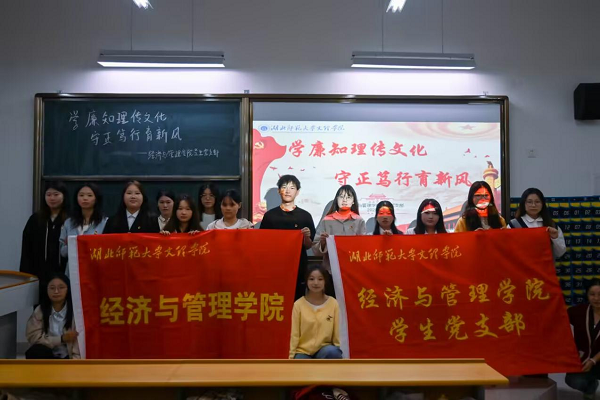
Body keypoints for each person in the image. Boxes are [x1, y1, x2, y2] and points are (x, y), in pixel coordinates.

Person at [260, 175, 316, 300]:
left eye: (292, 188)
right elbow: (263, 242)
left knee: (297, 300)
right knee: (275, 299)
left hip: (298, 266)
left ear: (298, 192)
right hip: (275, 266)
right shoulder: (270, 216)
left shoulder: (305, 216)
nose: (287, 191)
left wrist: (306, 237)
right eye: (284, 187)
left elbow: (308, 245)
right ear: (279, 191)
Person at [20, 181, 69, 285]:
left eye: (56, 194)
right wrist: (26, 275)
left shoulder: (70, 220)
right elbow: (26, 249)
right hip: (39, 273)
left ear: (64, 196)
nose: (52, 198)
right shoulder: (36, 219)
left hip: (64, 273)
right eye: (48, 195)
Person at [289, 266, 342, 359]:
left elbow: (337, 332)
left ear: (325, 281)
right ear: (306, 281)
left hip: (324, 350)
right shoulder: (298, 305)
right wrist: (291, 356)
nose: (316, 283)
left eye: (320, 279)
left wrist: (338, 349)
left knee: (333, 352)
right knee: (299, 361)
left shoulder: (333, 303)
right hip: (303, 351)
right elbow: (294, 334)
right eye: (311, 279)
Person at [25, 273, 80, 359]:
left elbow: (79, 343)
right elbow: (34, 338)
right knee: (35, 351)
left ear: (68, 289)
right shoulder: (40, 310)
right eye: (52, 288)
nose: (56, 291)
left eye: (61, 287)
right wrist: (61, 339)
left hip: (68, 357)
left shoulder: (76, 311)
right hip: (48, 355)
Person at [312, 185, 366, 271]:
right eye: (341, 197)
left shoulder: (359, 221)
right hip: (330, 269)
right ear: (336, 199)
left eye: (348, 197)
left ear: (353, 201)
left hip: (352, 268)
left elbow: (364, 247)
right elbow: (315, 250)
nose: (344, 200)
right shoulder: (327, 220)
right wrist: (323, 243)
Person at [59, 183, 108, 272]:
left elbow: (107, 250)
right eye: (81, 195)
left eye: (89, 195)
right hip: (73, 270)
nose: (85, 198)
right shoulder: (69, 223)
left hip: (95, 270)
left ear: (96, 198)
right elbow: (63, 252)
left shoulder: (105, 222)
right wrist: (73, 245)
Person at [507, 188, 566, 259]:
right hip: (522, 265)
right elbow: (508, 252)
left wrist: (555, 238)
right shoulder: (514, 225)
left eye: (537, 202)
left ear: (542, 204)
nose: (533, 205)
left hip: (545, 265)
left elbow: (560, 253)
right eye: (529, 202)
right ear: (523, 204)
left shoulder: (551, 225)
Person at [565, 279, 600, 399]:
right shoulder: (578, 311)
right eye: (592, 294)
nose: (596, 298)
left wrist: (593, 360)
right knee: (573, 380)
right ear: (587, 295)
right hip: (583, 360)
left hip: (597, 359)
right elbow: (558, 319)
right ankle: (590, 386)